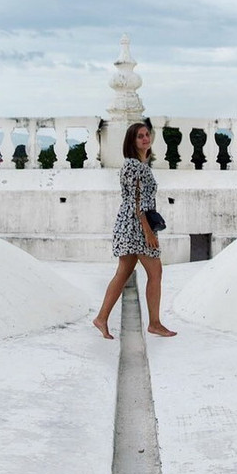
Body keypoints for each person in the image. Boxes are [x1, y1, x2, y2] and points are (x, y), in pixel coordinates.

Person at [93, 122, 177, 339]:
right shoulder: (133, 166)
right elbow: (135, 202)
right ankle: (155, 323)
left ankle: (101, 318)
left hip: (131, 224)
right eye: (140, 136)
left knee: (123, 273)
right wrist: (148, 231)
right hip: (137, 226)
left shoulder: (139, 165)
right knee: (155, 271)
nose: (145, 139)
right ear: (132, 141)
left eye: (147, 134)